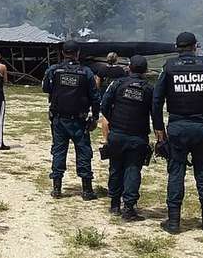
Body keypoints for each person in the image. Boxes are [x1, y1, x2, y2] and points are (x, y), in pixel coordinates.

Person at [152, 32, 203, 235]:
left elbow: (157, 100)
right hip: (202, 128)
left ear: (177, 47)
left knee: (176, 173)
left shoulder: (169, 67)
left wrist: (158, 128)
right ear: (195, 46)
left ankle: (174, 222)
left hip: (177, 128)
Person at [42, 40, 100, 201]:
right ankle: (87, 190)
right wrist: (95, 117)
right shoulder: (86, 72)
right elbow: (95, 97)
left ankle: (57, 189)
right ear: (78, 53)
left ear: (62, 53)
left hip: (58, 119)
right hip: (79, 121)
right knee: (83, 152)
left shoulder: (53, 70)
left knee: (59, 151)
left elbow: (46, 88)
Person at [100, 55, 156, 221]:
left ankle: (114, 204)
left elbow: (104, 105)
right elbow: (155, 112)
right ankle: (129, 208)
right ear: (145, 71)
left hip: (117, 134)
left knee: (116, 167)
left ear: (129, 68)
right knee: (132, 170)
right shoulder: (149, 89)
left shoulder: (117, 83)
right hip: (138, 136)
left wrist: (114, 120)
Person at [95, 52, 127, 140]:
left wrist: (97, 92)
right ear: (116, 59)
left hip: (104, 93)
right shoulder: (120, 70)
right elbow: (124, 82)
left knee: (105, 115)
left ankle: (105, 138)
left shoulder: (102, 69)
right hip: (116, 94)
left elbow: (97, 82)